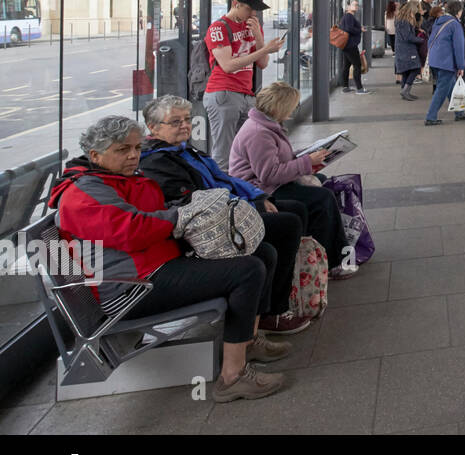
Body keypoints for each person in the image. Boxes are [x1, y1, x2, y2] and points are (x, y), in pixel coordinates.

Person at [52, 116, 289, 402]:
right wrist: (182, 217)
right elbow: (133, 230)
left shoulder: (115, 179)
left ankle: (246, 341)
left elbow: (153, 214)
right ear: (95, 155)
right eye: (122, 150)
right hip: (132, 288)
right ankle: (232, 377)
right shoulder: (83, 194)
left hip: (155, 267)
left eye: (137, 148)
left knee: (261, 252)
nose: (133, 156)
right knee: (247, 270)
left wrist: (185, 216)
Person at [138, 96, 311, 334]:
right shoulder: (158, 162)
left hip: (228, 209)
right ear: (153, 127)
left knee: (293, 211)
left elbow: (224, 179)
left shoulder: (182, 150)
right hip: (210, 227)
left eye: (187, 119)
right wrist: (249, 206)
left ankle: (279, 297)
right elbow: (196, 204)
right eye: (175, 122)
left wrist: (258, 197)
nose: (184, 125)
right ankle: (273, 312)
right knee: (287, 224)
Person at [228, 82, 351, 278]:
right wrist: (306, 162)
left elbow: (275, 162)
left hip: (270, 184)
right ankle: (334, 260)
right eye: (292, 105)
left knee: (321, 183)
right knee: (323, 197)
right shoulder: (259, 133)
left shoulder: (266, 125)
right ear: (279, 107)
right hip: (262, 190)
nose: (296, 108)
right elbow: (269, 174)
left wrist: (306, 156)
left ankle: (324, 245)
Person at [204, 0, 285, 171]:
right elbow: (228, 65)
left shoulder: (253, 26)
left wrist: (258, 37)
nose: (253, 13)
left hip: (246, 94)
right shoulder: (218, 28)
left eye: (255, 9)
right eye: (249, 8)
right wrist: (265, 49)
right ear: (235, 4)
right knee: (224, 153)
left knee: (246, 148)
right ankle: (221, 195)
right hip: (223, 92)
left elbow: (263, 63)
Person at [424, 1, 465, 125]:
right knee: (442, 89)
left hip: (435, 60)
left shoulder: (438, 22)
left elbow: (430, 40)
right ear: (458, 11)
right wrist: (461, 66)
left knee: (451, 86)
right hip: (446, 62)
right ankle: (430, 117)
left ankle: (459, 112)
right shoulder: (455, 25)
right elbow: (459, 47)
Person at [394, 0, 425, 101]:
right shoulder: (405, 21)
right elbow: (407, 37)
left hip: (402, 48)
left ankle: (405, 92)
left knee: (406, 71)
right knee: (416, 68)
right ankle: (405, 91)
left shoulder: (402, 19)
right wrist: (421, 40)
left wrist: (416, 30)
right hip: (407, 49)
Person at [339, 0, 367, 94]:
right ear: (348, 7)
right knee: (357, 65)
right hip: (350, 45)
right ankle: (359, 88)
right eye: (354, 5)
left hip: (346, 45)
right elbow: (349, 28)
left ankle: (345, 86)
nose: (356, 7)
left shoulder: (347, 17)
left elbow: (348, 28)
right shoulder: (349, 16)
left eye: (357, 5)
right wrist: (360, 30)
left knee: (347, 65)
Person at [384, 1, 399, 83]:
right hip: (394, 28)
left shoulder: (387, 13)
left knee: (391, 40)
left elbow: (385, 20)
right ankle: (394, 51)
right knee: (395, 40)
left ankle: (393, 51)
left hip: (389, 28)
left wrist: (385, 27)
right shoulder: (395, 12)